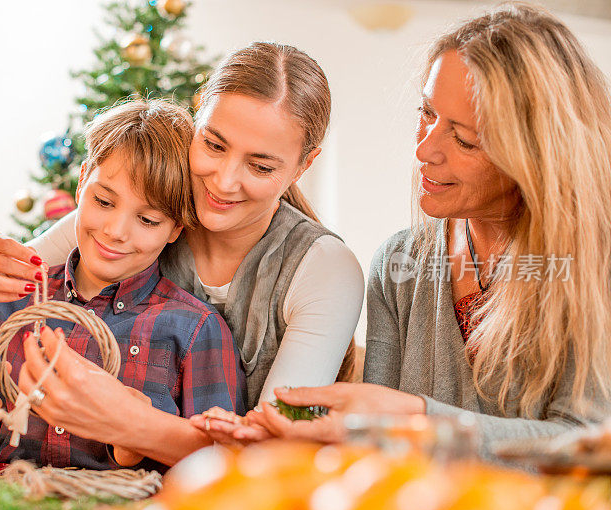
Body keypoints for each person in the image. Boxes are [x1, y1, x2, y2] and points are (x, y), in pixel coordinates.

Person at [0, 42, 365, 443]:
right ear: (197, 122)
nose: (225, 181)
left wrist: (133, 426)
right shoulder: (139, 218)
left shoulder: (324, 267)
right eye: (213, 144)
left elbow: (275, 450)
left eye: (261, 167)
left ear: (304, 165)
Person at [241, 3, 611, 454]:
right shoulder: (401, 265)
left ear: (536, 156)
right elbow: (377, 453)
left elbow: (591, 445)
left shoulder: (593, 268)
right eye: (427, 112)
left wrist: (417, 418)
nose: (424, 149)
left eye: (464, 138)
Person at [0, 99, 244, 473]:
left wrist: (136, 441)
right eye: (103, 201)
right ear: (82, 181)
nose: (115, 232)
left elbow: (227, 472)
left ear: (176, 229)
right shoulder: (11, 302)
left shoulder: (196, 331)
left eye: (147, 220)